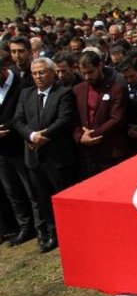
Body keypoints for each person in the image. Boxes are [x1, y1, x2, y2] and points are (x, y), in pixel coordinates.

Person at [14, 58, 78, 252]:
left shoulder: (63, 93)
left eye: (41, 72)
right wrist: (32, 136)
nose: (38, 77)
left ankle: (71, 233)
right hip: (34, 157)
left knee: (63, 196)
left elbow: (65, 119)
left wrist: (45, 135)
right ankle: (53, 234)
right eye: (34, 73)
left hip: (57, 157)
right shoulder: (26, 94)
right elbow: (18, 120)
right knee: (42, 198)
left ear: (52, 73)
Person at [0, 51, 41, 248]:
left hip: (20, 146)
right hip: (2, 151)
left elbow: (22, 115)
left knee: (30, 189)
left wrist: (7, 128)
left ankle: (38, 225)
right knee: (12, 190)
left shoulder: (21, 85)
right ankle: (23, 225)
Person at [72, 51, 129, 179]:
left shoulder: (116, 89)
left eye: (90, 72)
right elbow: (72, 118)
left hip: (110, 151)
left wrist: (92, 135)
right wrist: (80, 136)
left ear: (100, 66)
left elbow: (116, 119)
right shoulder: (77, 90)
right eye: (83, 73)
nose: (87, 77)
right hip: (86, 154)